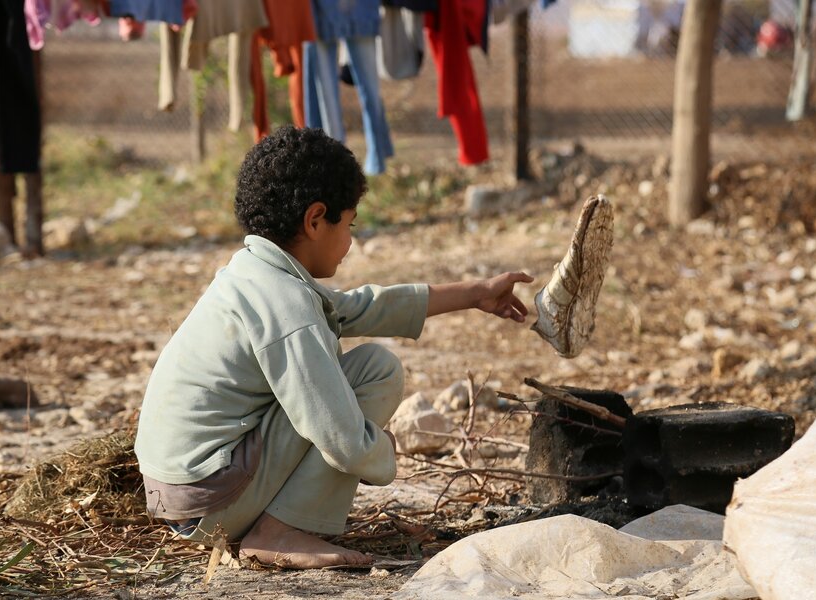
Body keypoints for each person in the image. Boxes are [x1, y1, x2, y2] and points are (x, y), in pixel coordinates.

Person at [134, 126, 534, 569]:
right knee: (376, 371)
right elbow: (340, 436)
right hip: (212, 504)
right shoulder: (285, 305)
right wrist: (382, 451)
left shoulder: (254, 274)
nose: (350, 240)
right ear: (315, 219)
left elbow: (360, 307)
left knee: (341, 382)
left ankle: (276, 521)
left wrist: (476, 293)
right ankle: (279, 532)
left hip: (177, 494)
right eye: (349, 224)